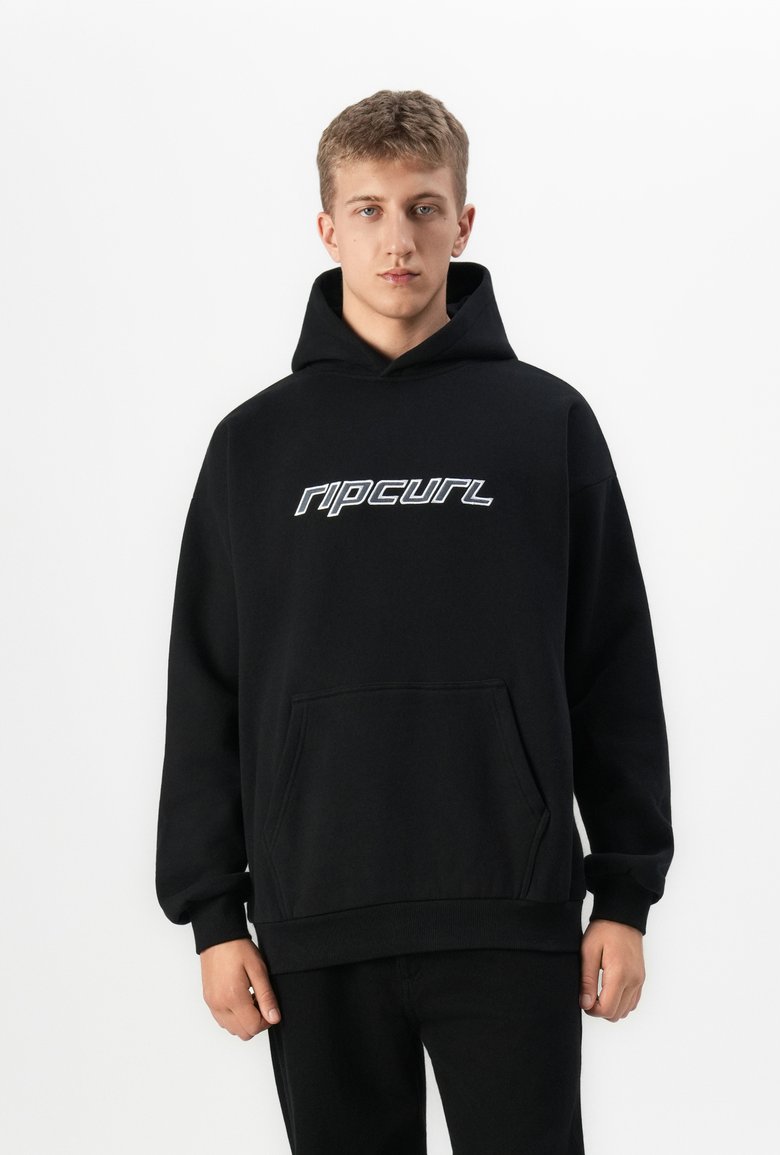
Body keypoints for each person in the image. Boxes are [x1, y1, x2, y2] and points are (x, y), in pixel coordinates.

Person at [156, 88, 674, 1154]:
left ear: (463, 222)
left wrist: (623, 895)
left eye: (424, 208)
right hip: (315, 921)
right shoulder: (255, 447)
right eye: (369, 209)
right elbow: (206, 685)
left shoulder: (545, 423)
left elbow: (611, 667)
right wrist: (213, 916)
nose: (397, 239)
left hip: (509, 914)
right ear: (327, 228)